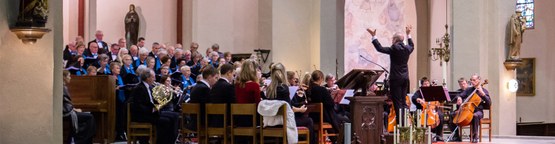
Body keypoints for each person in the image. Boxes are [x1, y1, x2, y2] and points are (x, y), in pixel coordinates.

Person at [367, 25, 414, 122]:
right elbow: (412, 45)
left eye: (393, 39)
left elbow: (379, 48)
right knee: (403, 102)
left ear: (395, 40)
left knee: (397, 102)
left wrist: (374, 36)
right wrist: (408, 34)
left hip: (396, 79)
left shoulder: (394, 48)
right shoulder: (407, 49)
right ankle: (405, 123)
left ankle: (400, 124)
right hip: (405, 78)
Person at [266, 63, 316, 144]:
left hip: (272, 122)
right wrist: (300, 109)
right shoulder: (283, 88)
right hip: (284, 122)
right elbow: (289, 108)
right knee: (309, 120)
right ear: (283, 74)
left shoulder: (269, 88)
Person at [128, 67, 179, 144]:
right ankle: (161, 142)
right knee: (167, 121)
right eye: (153, 77)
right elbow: (138, 106)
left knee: (175, 116)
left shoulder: (150, 87)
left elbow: (153, 100)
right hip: (143, 115)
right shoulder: (139, 88)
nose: (155, 79)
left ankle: (170, 141)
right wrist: (153, 109)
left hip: (151, 112)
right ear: (147, 78)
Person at [449, 74, 491, 143]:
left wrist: (483, 94)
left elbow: (489, 103)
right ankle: (456, 136)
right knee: (451, 115)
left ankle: (475, 136)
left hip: (478, 111)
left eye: (474, 80)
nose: (472, 82)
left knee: (475, 115)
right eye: (471, 80)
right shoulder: (469, 89)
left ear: (479, 80)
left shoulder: (484, 90)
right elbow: (460, 95)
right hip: (466, 110)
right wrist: (459, 98)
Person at [307, 70, 348, 135]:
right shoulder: (322, 89)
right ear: (320, 78)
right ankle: (343, 140)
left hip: (313, 116)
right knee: (347, 121)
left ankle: (335, 139)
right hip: (324, 116)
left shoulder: (309, 89)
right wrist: (331, 96)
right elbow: (331, 104)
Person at [63, 70, 96, 144]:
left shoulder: (64, 87)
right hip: (67, 113)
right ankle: (82, 141)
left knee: (88, 116)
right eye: (69, 76)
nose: (70, 78)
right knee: (90, 117)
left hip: (68, 111)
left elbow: (66, 103)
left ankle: (83, 140)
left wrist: (74, 109)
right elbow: (65, 104)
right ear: (64, 77)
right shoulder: (62, 88)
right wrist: (74, 109)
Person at [411, 77, 444, 141]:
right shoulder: (419, 92)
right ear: (422, 85)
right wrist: (418, 99)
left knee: (441, 115)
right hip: (422, 109)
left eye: (427, 84)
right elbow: (414, 97)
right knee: (416, 116)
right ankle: (418, 135)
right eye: (425, 84)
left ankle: (438, 135)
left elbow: (440, 99)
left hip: (433, 109)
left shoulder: (433, 91)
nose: (426, 85)